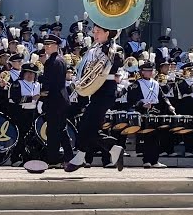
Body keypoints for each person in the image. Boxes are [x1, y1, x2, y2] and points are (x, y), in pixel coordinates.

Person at [69, 24, 126, 172]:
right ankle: (113, 149)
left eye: (98, 32)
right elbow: (84, 67)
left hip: (106, 90)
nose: (95, 35)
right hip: (95, 90)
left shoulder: (115, 49)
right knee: (90, 126)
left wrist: (109, 52)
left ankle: (81, 156)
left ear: (107, 33)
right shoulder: (93, 49)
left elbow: (118, 62)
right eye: (94, 32)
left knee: (86, 123)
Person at [26, 35, 74, 175]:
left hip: (54, 99)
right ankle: (70, 156)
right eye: (45, 45)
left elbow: (49, 84)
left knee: (53, 130)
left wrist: (42, 99)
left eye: (50, 45)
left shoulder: (51, 62)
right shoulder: (61, 60)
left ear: (56, 46)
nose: (47, 47)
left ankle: (53, 159)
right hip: (61, 99)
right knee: (61, 129)